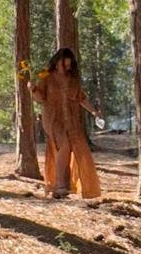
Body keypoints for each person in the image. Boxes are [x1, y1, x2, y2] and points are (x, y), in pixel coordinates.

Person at [30, 47, 101, 199]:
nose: (66, 68)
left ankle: (64, 186)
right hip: (53, 119)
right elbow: (40, 98)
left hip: (71, 119)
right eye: (64, 65)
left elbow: (81, 98)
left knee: (72, 148)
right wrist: (32, 89)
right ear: (56, 63)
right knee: (64, 145)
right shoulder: (46, 77)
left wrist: (94, 111)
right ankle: (60, 185)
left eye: (69, 66)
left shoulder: (72, 80)